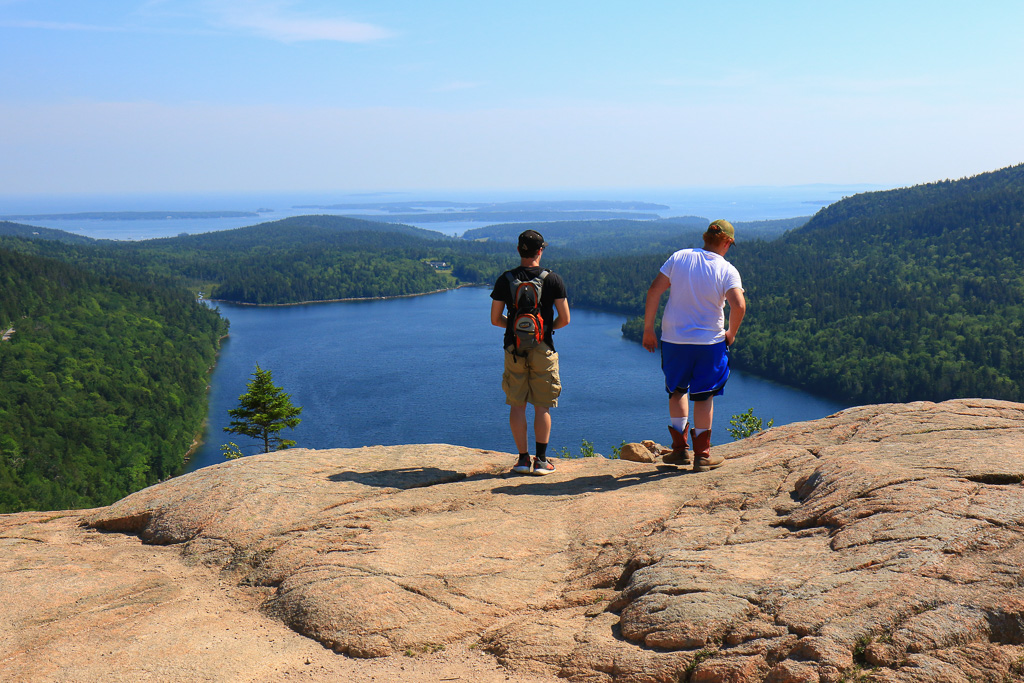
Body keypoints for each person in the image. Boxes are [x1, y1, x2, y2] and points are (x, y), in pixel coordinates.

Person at [642, 219, 746, 471]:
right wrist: (730, 333)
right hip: (709, 343)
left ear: (705, 237)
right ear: (728, 242)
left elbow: (654, 290)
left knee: (677, 391)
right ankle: (702, 456)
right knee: (704, 395)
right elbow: (739, 306)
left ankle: (679, 451)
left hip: (674, 340)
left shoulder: (679, 257)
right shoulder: (727, 269)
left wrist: (648, 330)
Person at [490, 230, 570, 475]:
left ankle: (523, 460)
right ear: (540, 251)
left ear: (518, 250)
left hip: (514, 348)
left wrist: (515, 328)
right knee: (542, 406)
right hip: (543, 348)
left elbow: (495, 319)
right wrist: (544, 331)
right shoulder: (553, 279)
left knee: (517, 405)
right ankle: (542, 461)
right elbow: (565, 319)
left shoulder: (506, 279)